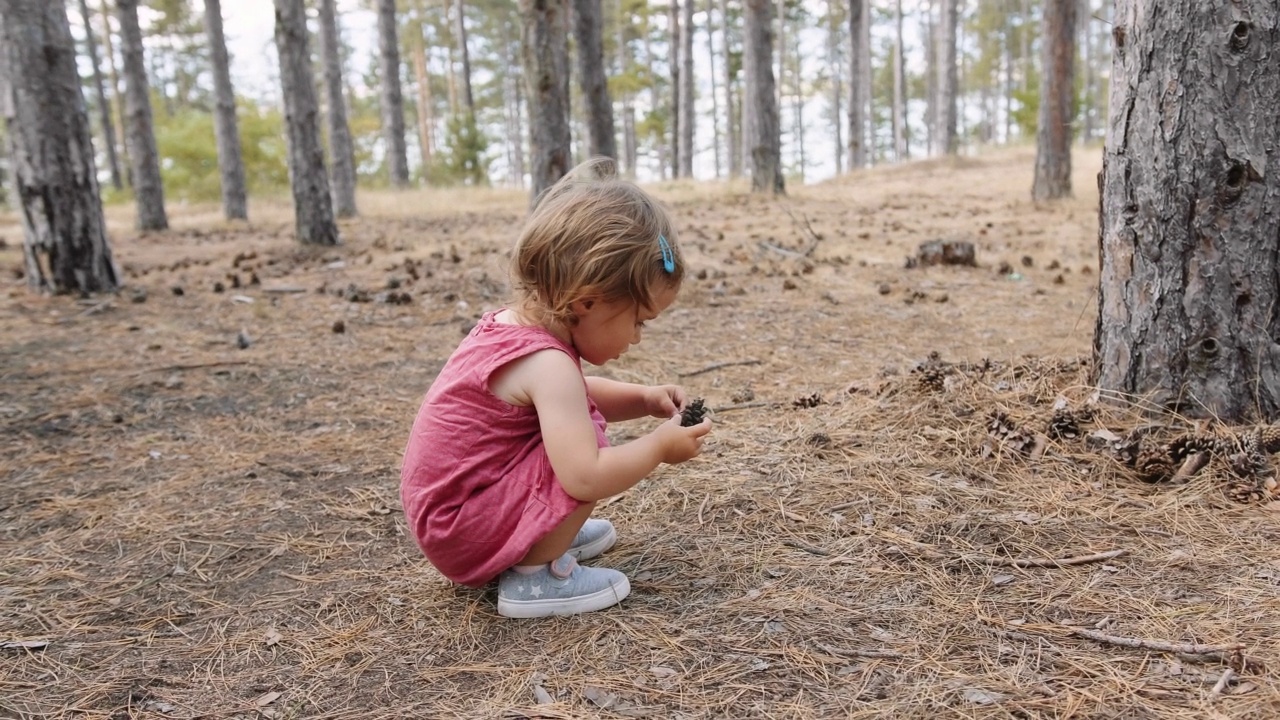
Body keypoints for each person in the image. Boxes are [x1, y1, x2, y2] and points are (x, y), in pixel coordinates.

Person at [400, 162, 712, 619]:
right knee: (584, 445)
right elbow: (585, 475)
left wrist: (644, 399)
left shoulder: (516, 330)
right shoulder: (548, 364)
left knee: (575, 424)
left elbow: (574, 393)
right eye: (638, 320)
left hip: (453, 518)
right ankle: (534, 577)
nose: (638, 337)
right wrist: (659, 447)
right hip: (462, 530)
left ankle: (538, 534)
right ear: (587, 301)